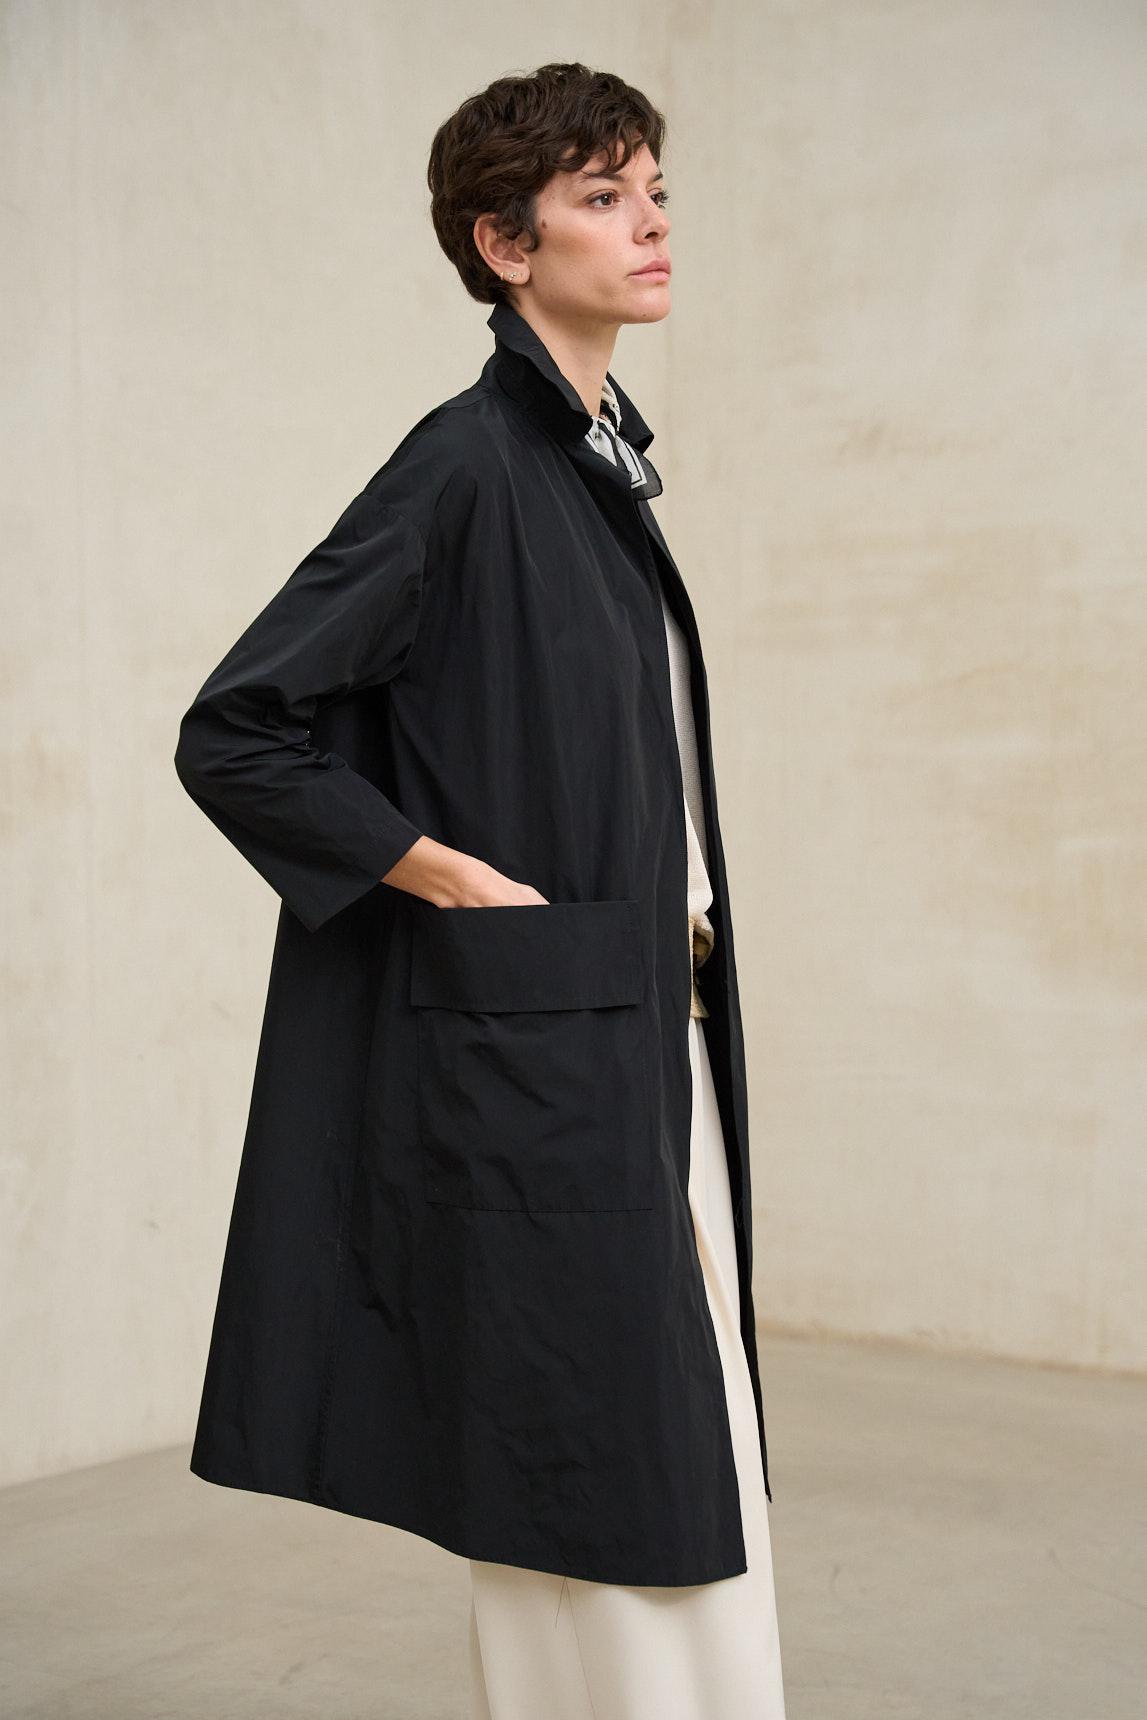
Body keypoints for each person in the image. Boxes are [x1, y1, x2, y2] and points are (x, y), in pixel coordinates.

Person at [175, 60, 785, 1720]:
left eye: (655, 189)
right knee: (606, 1462)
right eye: (603, 196)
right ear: (503, 244)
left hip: (637, 1029)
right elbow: (240, 730)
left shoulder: (593, 460)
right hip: (550, 1040)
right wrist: (442, 874)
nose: (650, 221)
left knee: (656, 1441)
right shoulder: (464, 464)